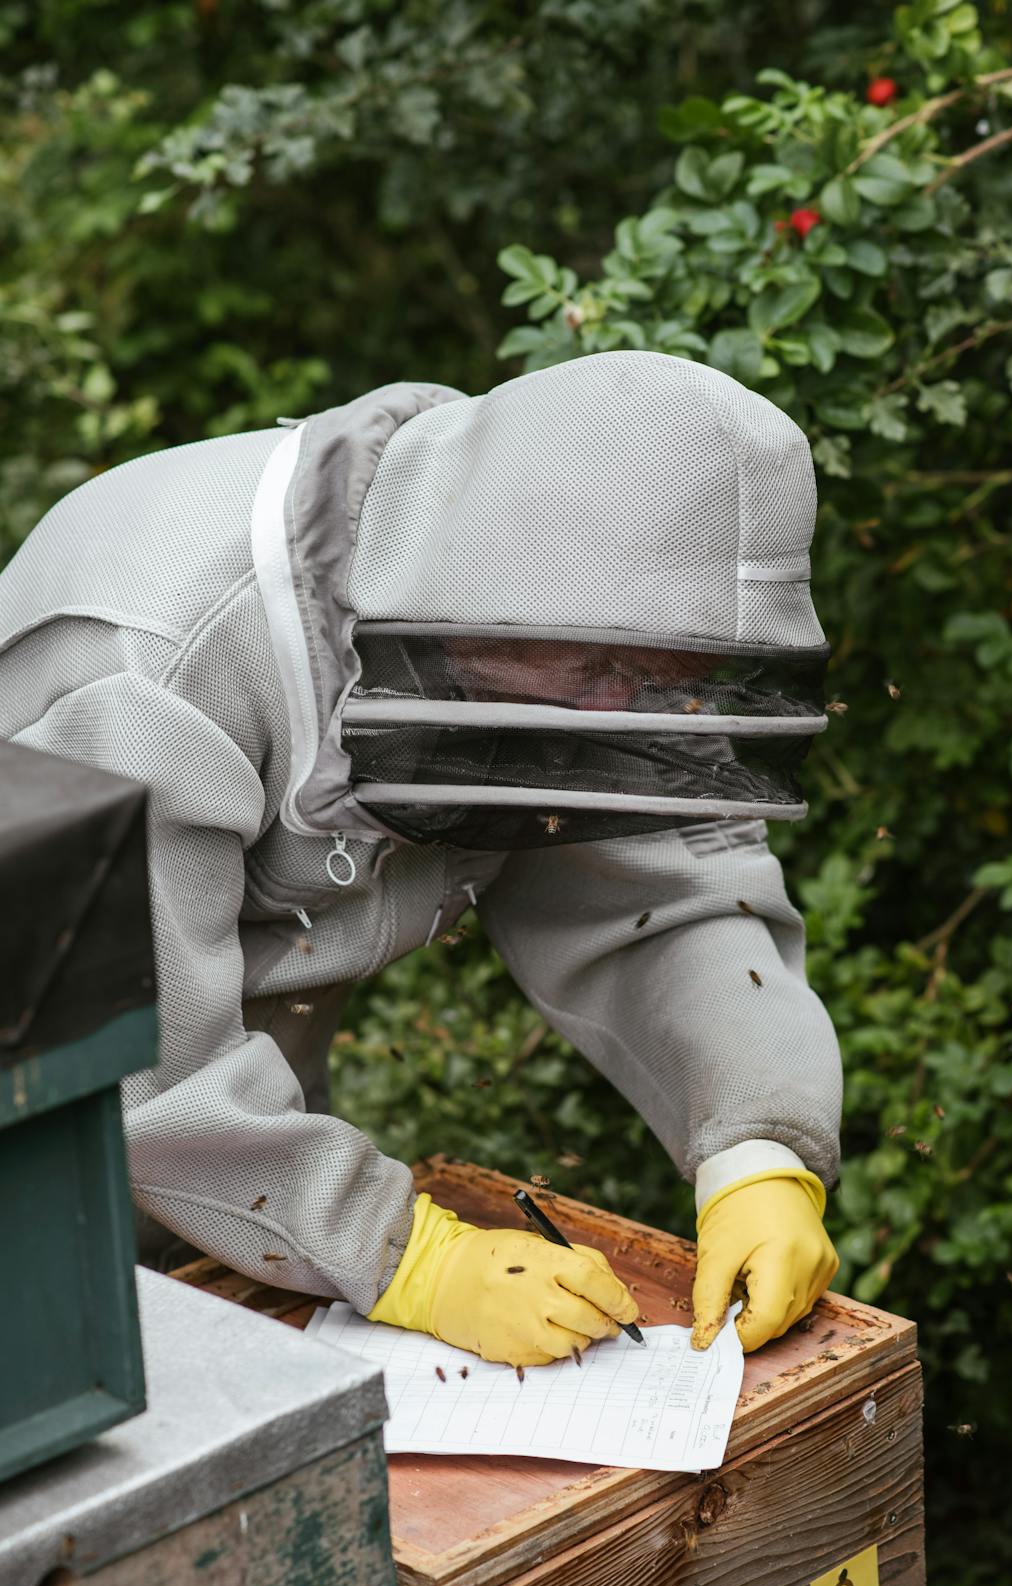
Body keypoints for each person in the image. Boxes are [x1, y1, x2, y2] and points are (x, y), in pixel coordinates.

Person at [0, 350, 842, 1366]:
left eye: (658, 680)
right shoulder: (148, 662)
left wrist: (757, 1148)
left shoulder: (520, 610)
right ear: (494, 587)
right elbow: (136, 1054)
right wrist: (404, 1253)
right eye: (603, 666)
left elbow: (650, 885)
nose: (617, 707)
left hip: (220, 1206)